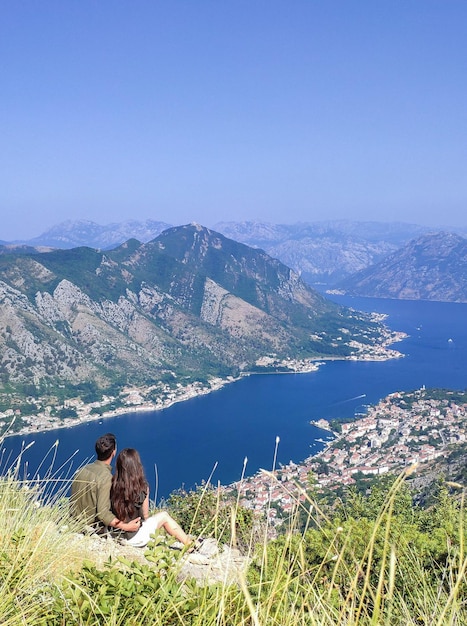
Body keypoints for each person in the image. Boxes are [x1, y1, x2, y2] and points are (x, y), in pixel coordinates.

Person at [110, 447, 194, 549]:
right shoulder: (142, 488)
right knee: (164, 516)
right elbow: (145, 515)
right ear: (137, 466)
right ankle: (189, 544)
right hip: (135, 538)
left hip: (115, 535)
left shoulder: (112, 484)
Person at [70, 433, 141, 535]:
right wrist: (126, 526)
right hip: (89, 527)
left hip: (73, 522)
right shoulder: (106, 478)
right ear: (113, 452)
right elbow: (103, 514)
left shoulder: (82, 469)